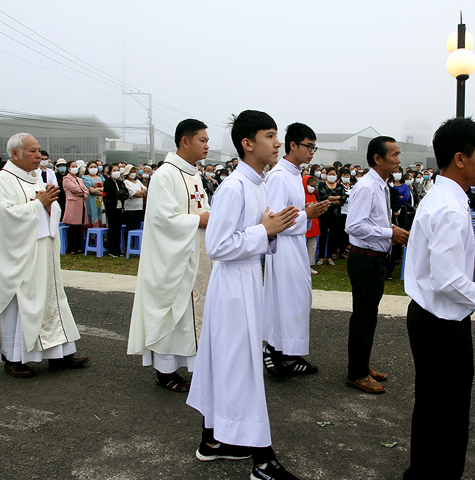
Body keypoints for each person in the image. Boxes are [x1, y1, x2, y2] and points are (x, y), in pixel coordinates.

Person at [186, 110, 301, 480]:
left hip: (248, 280)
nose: (277, 143)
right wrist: (264, 231)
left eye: (277, 135)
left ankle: (212, 441)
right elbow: (217, 246)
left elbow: (253, 237)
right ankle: (263, 462)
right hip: (232, 288)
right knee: (242, 369)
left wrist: (271, 230)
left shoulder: (260, 183)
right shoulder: (234, 186)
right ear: (247, 143)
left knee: (230, 362)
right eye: (270, 136)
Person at [402, 117, 475, 480]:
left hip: (432, 317)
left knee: (434, 408)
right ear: (460, 159)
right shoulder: (448, 207)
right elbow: (445, 280)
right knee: (447, 413)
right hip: (441, 325)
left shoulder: (443, 198)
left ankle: (423, 472)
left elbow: (439, 270)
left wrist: (473, 280)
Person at [0, 133, 88, 377]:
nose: (39, 156)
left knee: (51, 299)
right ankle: (14, 358)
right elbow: (6, 217)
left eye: (39, 150)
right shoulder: (3, 180)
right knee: (21, 303)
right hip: (19, 255)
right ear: (15, 154)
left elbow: (49, 206)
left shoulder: (35, 177)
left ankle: (58, 354)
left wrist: (48, 204)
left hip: (42, 250)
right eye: (32, 151)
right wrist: (39, 204)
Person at [128, 119, 213, 392]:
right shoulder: (165, 175)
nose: (207, 145)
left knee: (192, 314)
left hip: (197, 254)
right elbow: (162, 219)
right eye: (202, 140)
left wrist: (208, 219)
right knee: (172, 313)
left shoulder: (194, 174)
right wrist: (199, 221)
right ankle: (165, 372)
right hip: (174, 258)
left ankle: (194, 367)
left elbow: (203, 209)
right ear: (185, 141)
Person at [262, 122, 329, 378]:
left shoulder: (294, 174)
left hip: (296, 245)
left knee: (297, 300)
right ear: (293, 145)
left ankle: (286, 352)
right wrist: (307, 214)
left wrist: (309, 214)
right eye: (308, 146)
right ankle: (277, 352)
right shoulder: (279, 175)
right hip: (284, 249)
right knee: (286, 301)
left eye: (314, 147)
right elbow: (275, 220)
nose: (312, 151)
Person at [344, 136, 409, 394]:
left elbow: (372, 222)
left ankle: (362, 364)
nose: (398, 159)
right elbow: (354, 225)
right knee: (363, 316)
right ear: (377, 159)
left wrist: (390, 231)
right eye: (394, 155)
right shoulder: (367, 187)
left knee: (369, 316)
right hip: (365, 259)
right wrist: (389, 232)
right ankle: (356, 374)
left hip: (376, 258)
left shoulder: (380, 185)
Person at [316, 166, 344, 265]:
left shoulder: (340, 185)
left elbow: (343, 199)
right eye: (329, 174)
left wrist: (330, 199)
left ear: (337, 175)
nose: (331, 176)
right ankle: (322, 256)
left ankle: (329, 256)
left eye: (333, 174)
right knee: (323, 234)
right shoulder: (322, 185)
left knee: (333, 235)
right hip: (324, 213)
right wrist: (336, 198)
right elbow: (323, 196)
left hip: (336, 215)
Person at [61, 161, 88, 254]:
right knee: (73, 226)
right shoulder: (66, 178)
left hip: (81, 203)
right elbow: (74, 188)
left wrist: (82, 193)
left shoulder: (79, 179)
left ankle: (78, 246)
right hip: (73, 204)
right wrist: (81, 192)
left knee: (78, 226)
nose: (75, 168)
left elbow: (85, 189)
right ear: (68, 168)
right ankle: (72, 247)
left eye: (76, 166)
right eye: (73, 166)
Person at [102, 164, 128, 257]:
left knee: (118, 229)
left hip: (120, 208)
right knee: (113, 229)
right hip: (111, 208)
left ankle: (118, 248)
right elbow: (112, 193)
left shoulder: (120, 182)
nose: (117, 171)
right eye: (115, 170)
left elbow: (126, 193)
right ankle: (112, 249)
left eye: (118, 169)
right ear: (110, 172)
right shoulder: (108, 182)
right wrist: (120, 193)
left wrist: (121, 193)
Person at [303, 175, 321, 274]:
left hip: (314, 225)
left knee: (312, 246)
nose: (312, 188)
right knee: (303, 246)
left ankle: (310, 265)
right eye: (310, 185)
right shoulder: (301, 196)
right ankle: (302, 265)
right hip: (305, 225)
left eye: (314, 186)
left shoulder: (313, 196)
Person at [123, 165, 147, 231]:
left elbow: (145, 189)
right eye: (131, 172)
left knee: (137, 227)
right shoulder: (126, 182)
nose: (133, 173)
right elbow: (133, 194)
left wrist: (139, 193)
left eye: (134, 171)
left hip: (139, 207)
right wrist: (141, 193)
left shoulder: (138, 181)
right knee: (130, 227)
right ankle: (128, 240)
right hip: (130, 208)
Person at [82, 160, 105, 228]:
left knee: (102, 216)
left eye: (95, 166)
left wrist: (97, 189)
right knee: (93, 215)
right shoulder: (85, 178)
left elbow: (105, 189)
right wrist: (101, 190)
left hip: (101, 200)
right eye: (91, 167)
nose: (93, 168)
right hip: (91, 201)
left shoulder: (101, 177)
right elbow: (91, 190)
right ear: (88, 168)